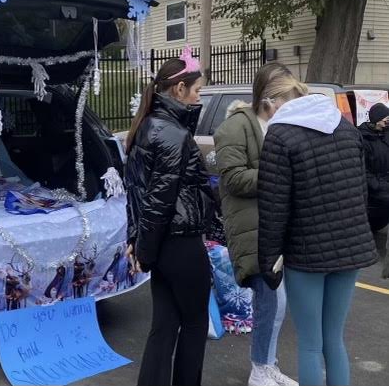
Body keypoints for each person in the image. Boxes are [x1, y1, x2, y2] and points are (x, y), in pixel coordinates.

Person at [257, 71, 378, 386]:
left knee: (310, 343)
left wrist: (268, 261)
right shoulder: (347, 129)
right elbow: (361, 192)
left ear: (271, 103)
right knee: (334, 339)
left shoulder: (280, 135)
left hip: (306, 252)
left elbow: (274, 207)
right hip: (350, 247)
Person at [124, 48, 214, 386]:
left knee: (164, 325)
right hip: (180, 241)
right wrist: (142, 248)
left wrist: (139, 243)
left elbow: (136, 193)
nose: (199, 97)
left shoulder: (147, 126)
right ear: (179, 90)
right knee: (193, 324)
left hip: (160, 244)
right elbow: (159, 201)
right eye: (198, 90)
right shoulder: (173, 134)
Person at [214, 63, 298, 386]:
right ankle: (259, 370)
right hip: (253, 231)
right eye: (285, 97)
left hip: (272, 227)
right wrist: (276, 174)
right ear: (268, 98)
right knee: (271, 303)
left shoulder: (278, 126)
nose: (288, 103)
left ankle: (267, 364)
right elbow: (233, 178)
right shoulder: (236, 127)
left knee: (276, 305)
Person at [359, 103, 389, 230]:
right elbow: (363, 169)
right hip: (374, 189)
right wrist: (378, 185)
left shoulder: (386, 134)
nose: (388, 122)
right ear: (377, 119)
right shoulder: (363, 139)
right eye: (386, 119)